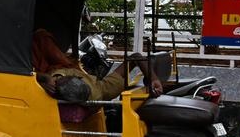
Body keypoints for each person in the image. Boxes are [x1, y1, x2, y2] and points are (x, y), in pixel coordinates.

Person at [32, 28, 162, 101]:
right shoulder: (62, 76)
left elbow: (136, 57)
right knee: (41, 36)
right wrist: (154, 79)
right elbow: (136, 57)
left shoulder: (60, 74)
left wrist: (45, 78)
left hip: (99, 85)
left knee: (41, 36)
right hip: (101, 87)